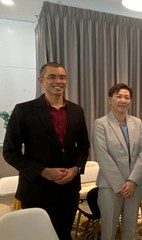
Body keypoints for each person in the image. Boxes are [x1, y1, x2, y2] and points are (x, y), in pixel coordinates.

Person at [3, 62, 90, 240]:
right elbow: (10, 152)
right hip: (36, 191)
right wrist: (43, 171)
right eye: (52, 77)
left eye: (62, 77)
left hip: (69, 190)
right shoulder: (23, 110)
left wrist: (76, 169)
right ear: (41, 80)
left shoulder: (76, 110)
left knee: (64, 234)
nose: (58, 81)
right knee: (37, 236)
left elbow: (83, 146)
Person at [92, 83, 142, 240]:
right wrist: (121, 185)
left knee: (130, 230)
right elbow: (103, 156)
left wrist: (132, 181)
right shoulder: (100, 124)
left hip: (134, 186)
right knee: (108, 231)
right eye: (119, 96)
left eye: (127, 97)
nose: (123, 100)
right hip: (110, 186)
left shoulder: (137, 123)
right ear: (110, 99)